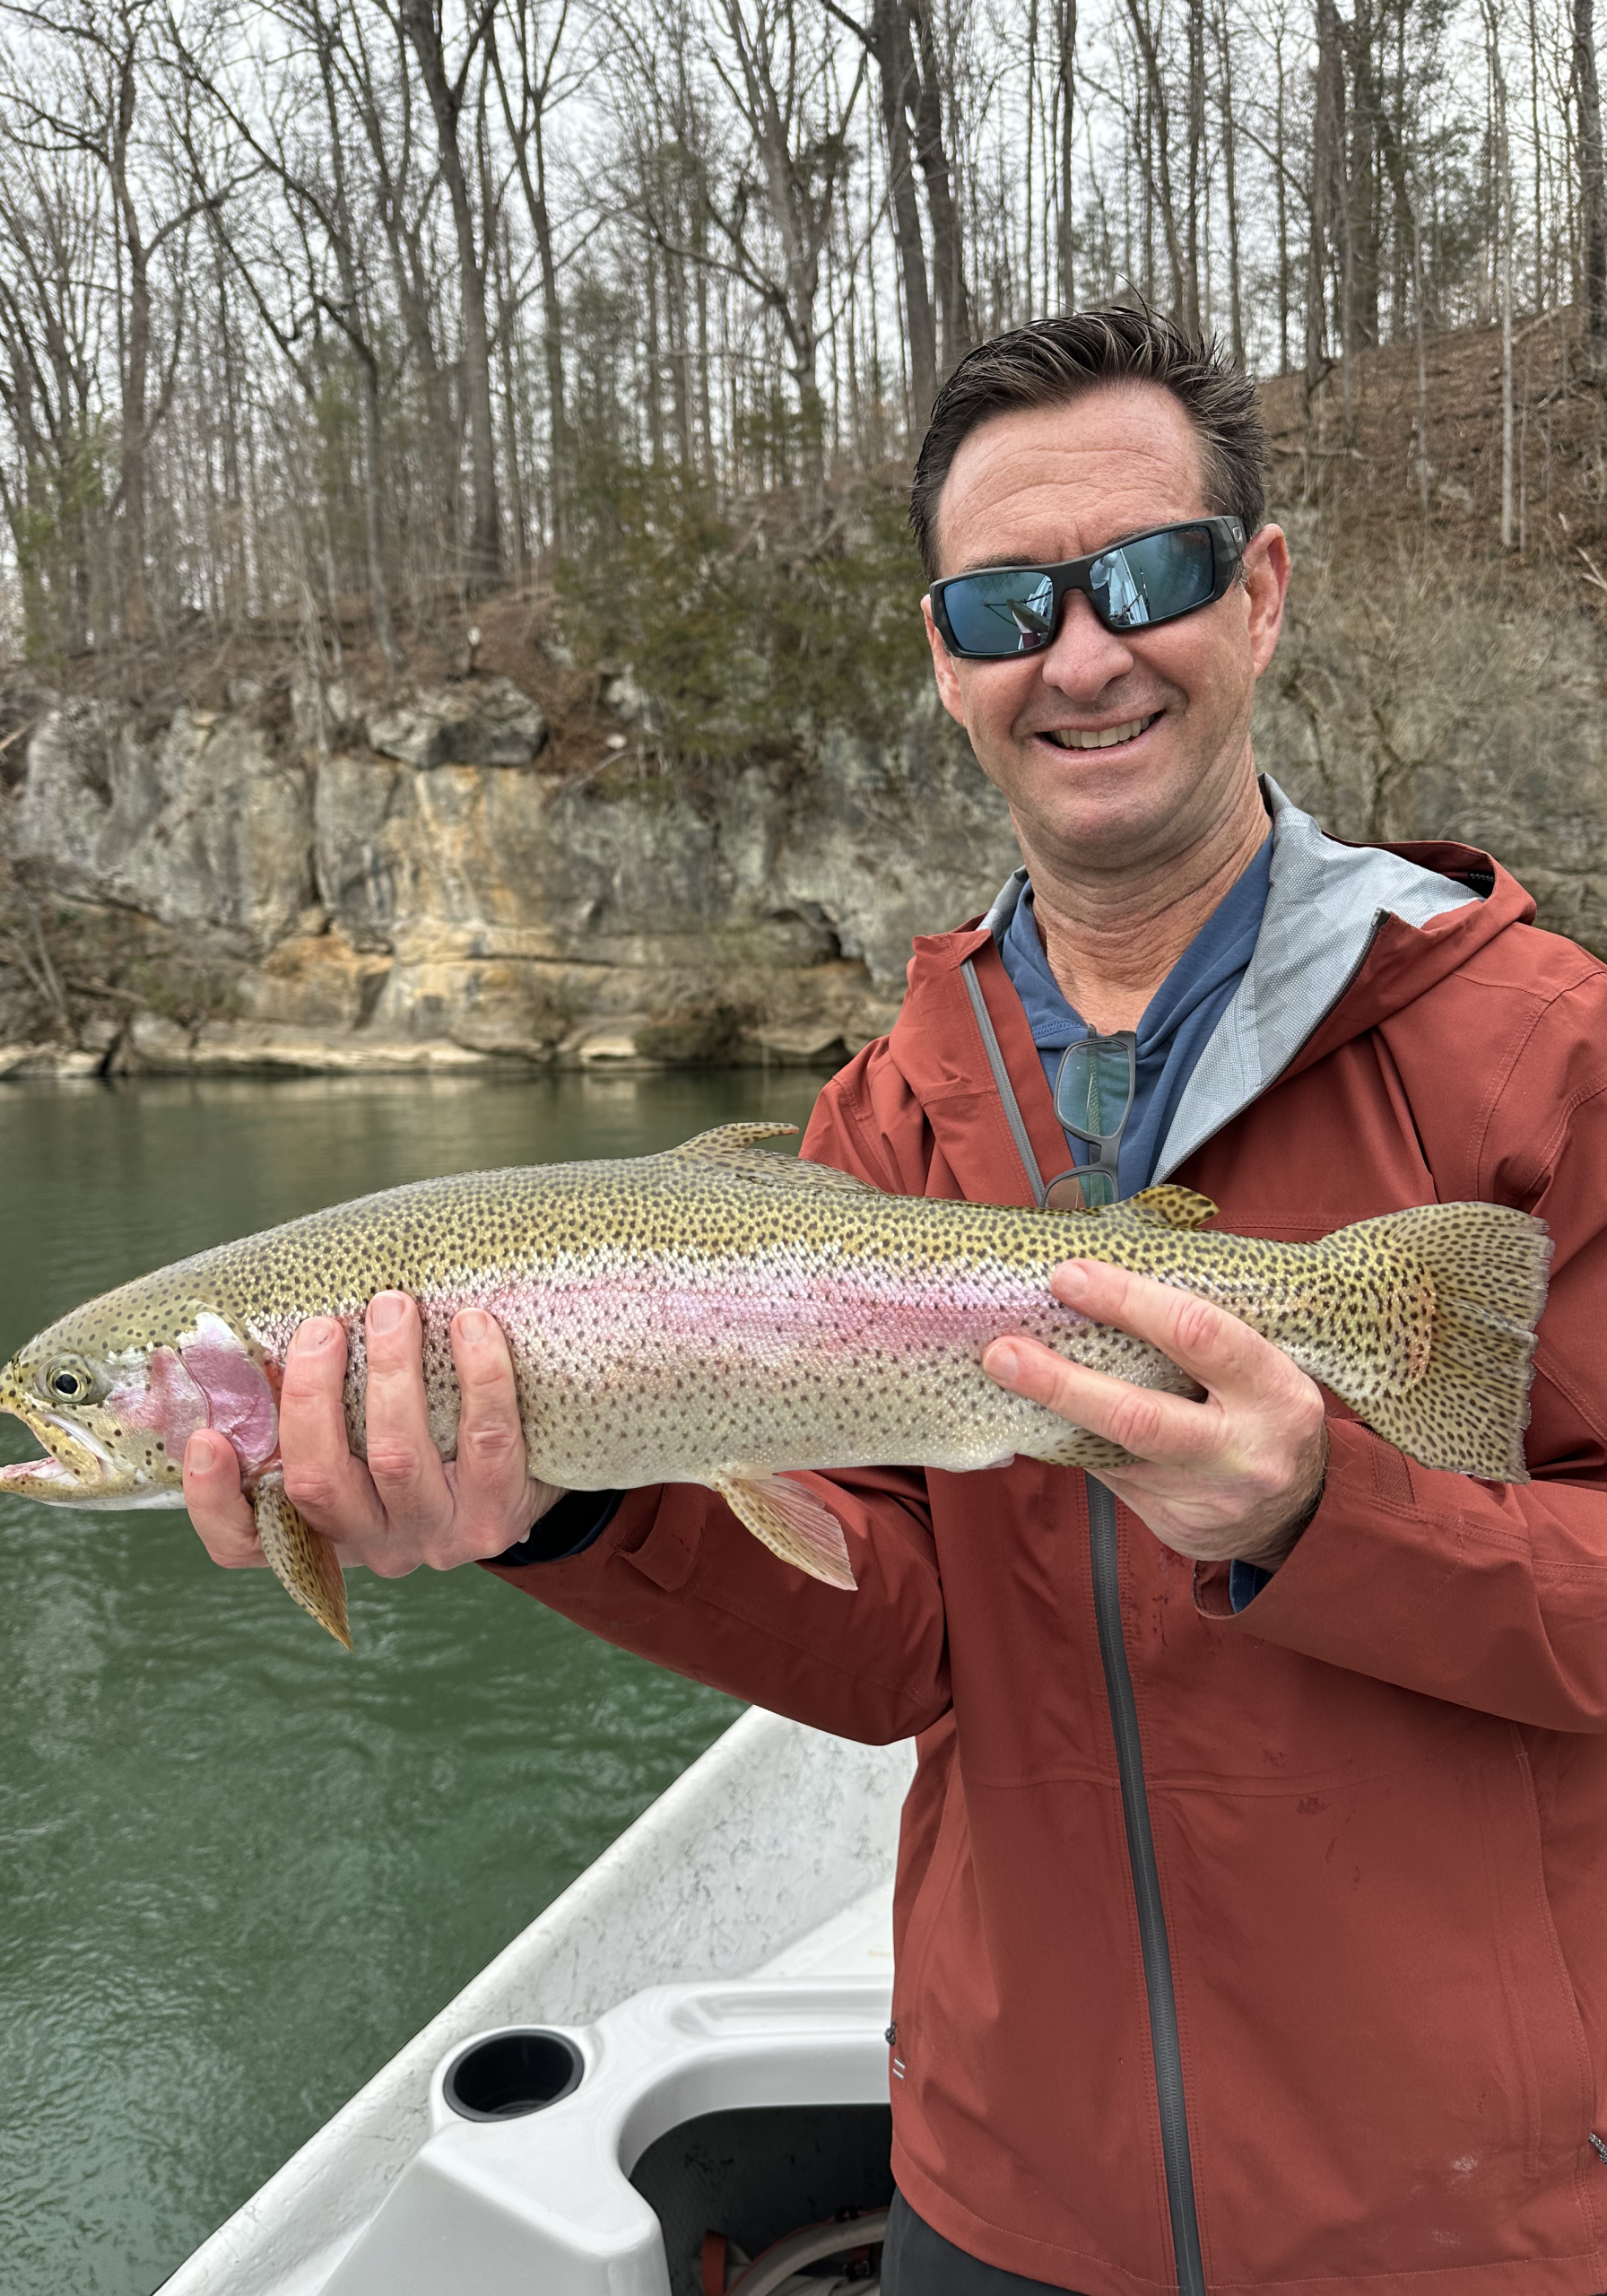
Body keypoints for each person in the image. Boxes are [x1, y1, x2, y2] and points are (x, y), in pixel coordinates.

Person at [184, 309, 1607, 2296]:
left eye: (1149, 574)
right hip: (1001, 2192)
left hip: (1462, 2222)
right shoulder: (878, 1118)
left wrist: (1324, 1516)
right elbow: (896, 1647)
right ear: (946, 658)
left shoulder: (1545, 1053)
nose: (1082, 654)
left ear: (1261, 594)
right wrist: (566, 1514)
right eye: (1008, 603)